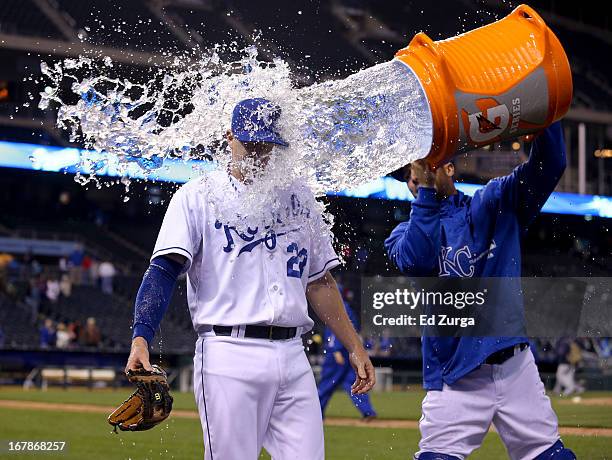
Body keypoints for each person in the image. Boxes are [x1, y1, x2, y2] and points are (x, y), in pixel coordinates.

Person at [124, 98, 375, 459]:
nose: (258, 152)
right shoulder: (198, 196)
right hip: (229, 353)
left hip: (293, 354)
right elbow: (163, 271)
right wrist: (141, 337)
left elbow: (319, 282)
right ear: (229, 137)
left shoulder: (299, 198)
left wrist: (354, 346)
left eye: (266, 145)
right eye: (250, 143)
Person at [385, 122, 575, 459]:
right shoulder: (401, 235)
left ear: (448, 167)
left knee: (550, 454)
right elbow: (418, 260)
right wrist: (427, 194)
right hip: (454, 373)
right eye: (410, 175)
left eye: (421, 168)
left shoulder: (494, 202)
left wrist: (545, 119)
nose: (414, 180)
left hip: (514, 365)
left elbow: (550, 164)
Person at [318, 298, 377, 420]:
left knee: (327, 383)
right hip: (349, 352)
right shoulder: (348, 307)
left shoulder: (334, 305)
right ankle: (367, 412)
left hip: (338, 354)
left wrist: (335, 350)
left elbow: (335, 328)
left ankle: (317, 412)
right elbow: (352, 329)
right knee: (354, 383)